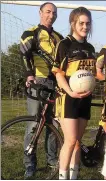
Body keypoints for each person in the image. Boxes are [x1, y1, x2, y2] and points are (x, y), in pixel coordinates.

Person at [20, 2, 63, 179]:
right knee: (34, 124)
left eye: (54, 12)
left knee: (53, 125)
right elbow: (23, 54)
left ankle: (52, 160)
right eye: (47, 11)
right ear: (40, 13)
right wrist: (29, 75)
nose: (51, 15)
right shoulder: (30, 33)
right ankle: (29, 164)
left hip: (57, 84)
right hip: (39, 80)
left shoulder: (60, 37)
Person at [52, 7, 96, 180]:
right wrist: (70, 92)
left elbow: (89, 76)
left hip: (85, 99)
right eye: (81, 23)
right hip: (68, 98)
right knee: (70, 141)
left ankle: (74, 176)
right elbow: (58, 73)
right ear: (73, 23)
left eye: (88, 23)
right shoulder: (65, 44)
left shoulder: (91, 47)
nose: (85, 27)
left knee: (78, 142)